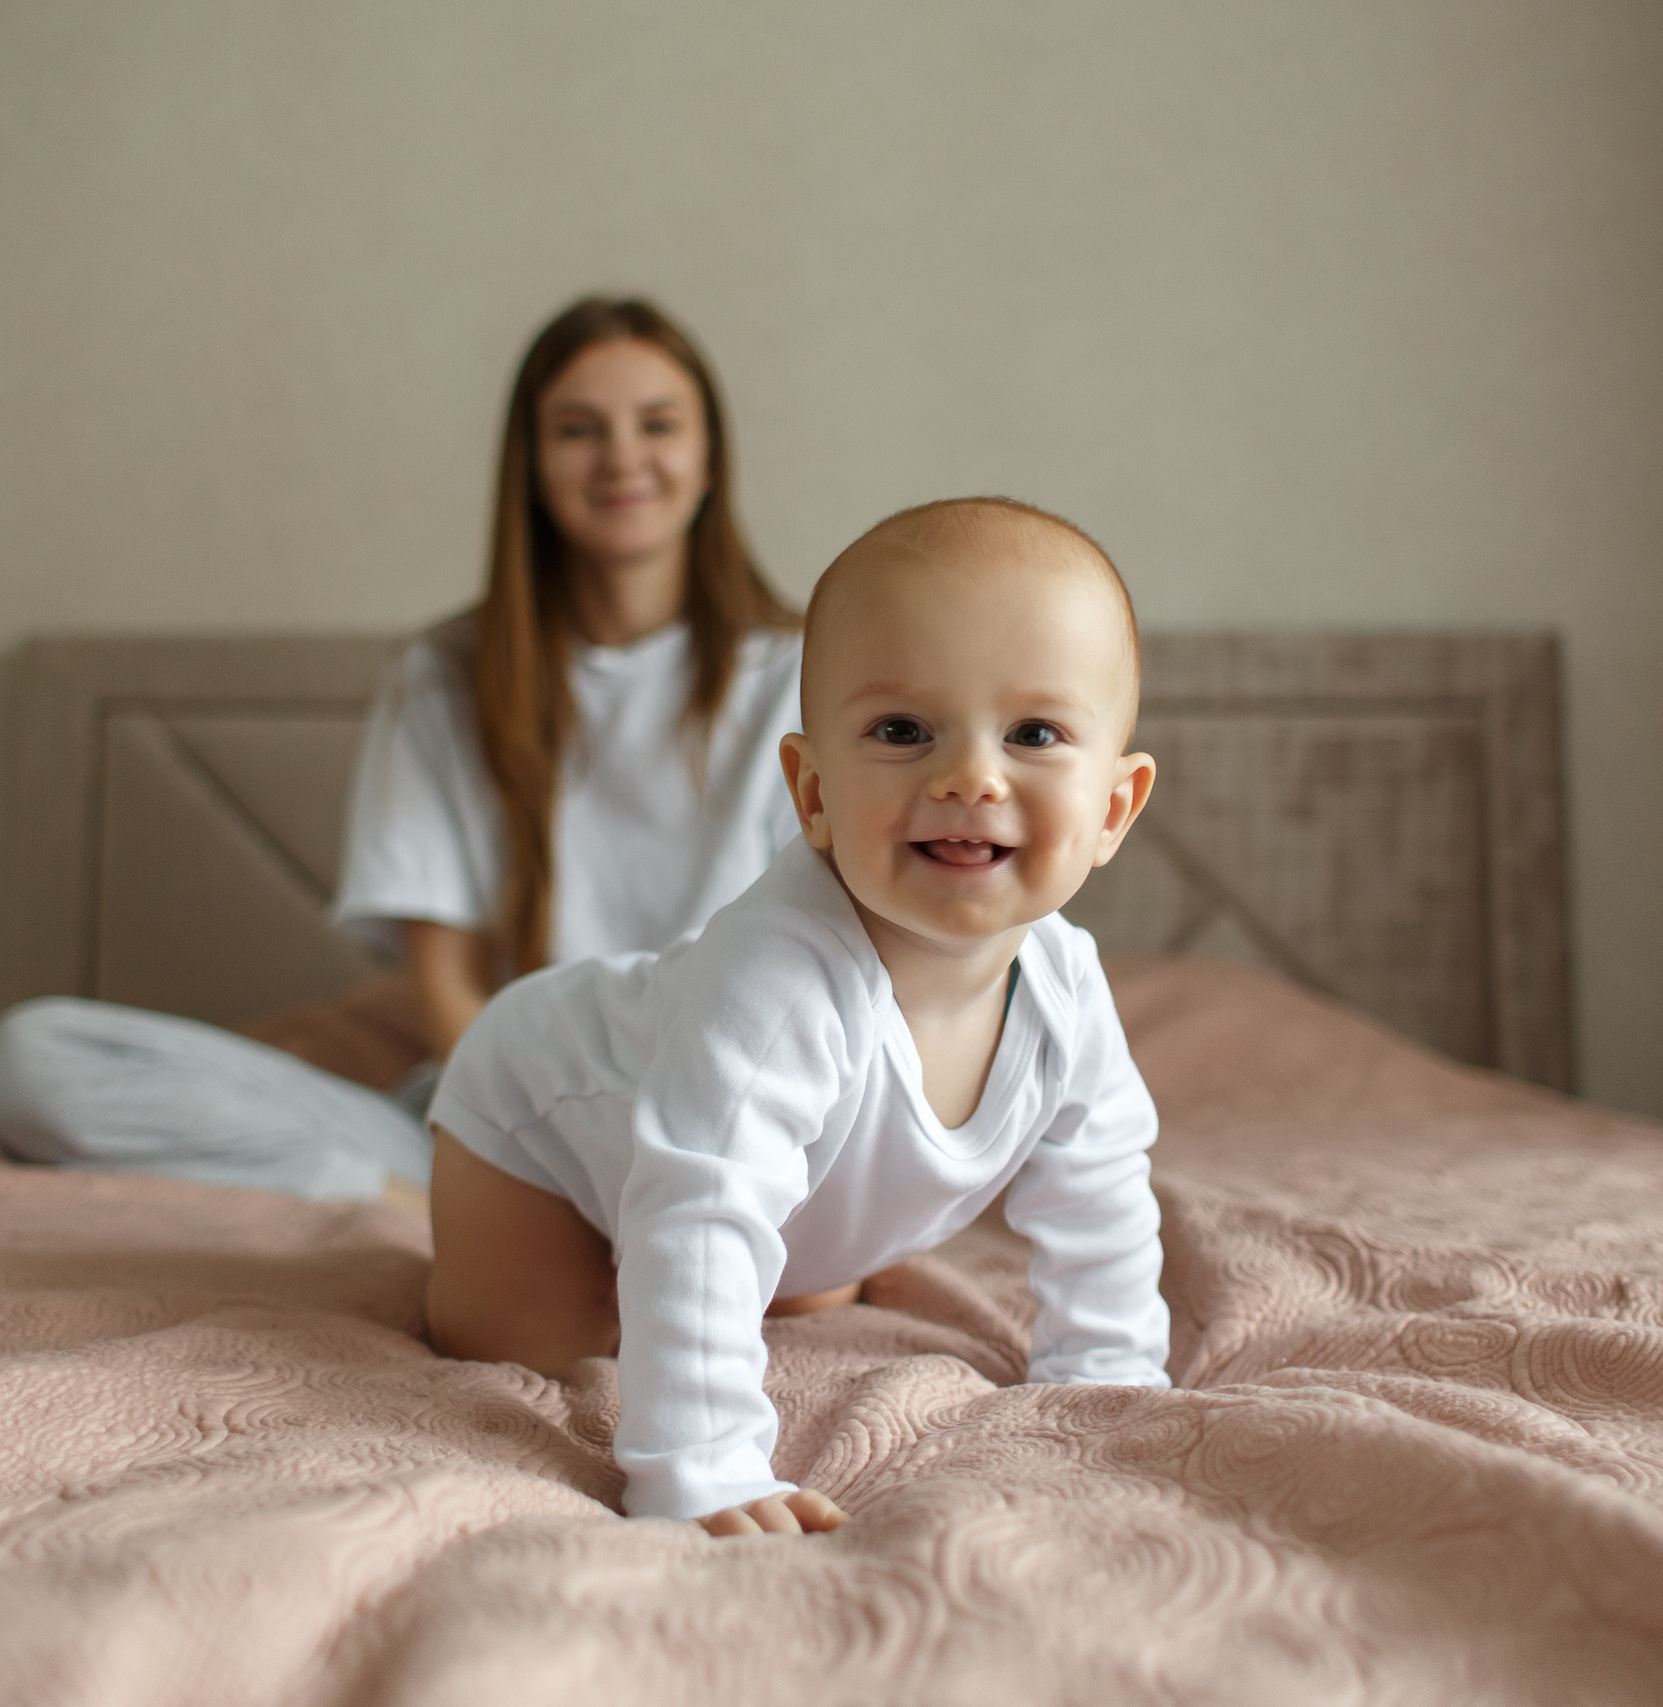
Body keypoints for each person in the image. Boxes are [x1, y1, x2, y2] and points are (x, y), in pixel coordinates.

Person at [421, 497, 1168, 1538]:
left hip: (771, 1176)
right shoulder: (778, 983)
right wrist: (703, 1467)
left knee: (796, 1285)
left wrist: (1108, 1373)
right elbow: (702, 1208)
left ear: (1114, 811)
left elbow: (1100, 1196)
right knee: (539, 1343)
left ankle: (796, 1272)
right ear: (810, 792)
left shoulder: (1066, 990)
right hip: (539, 1125)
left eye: (1033, 733)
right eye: (902, 732)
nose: (970, 777)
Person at [0, 298, 804, 1205]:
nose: (621, 459)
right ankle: (407, 1202)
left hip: (717, 1128)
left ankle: (552, 1219)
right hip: (498, 1122)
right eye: (577, 429)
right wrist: (542, 1150)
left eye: (658, 425)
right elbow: (445, 984)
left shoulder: (803, 678)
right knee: (34, 1058)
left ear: (710, 455)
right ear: (528, 465)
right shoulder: (444, 678)